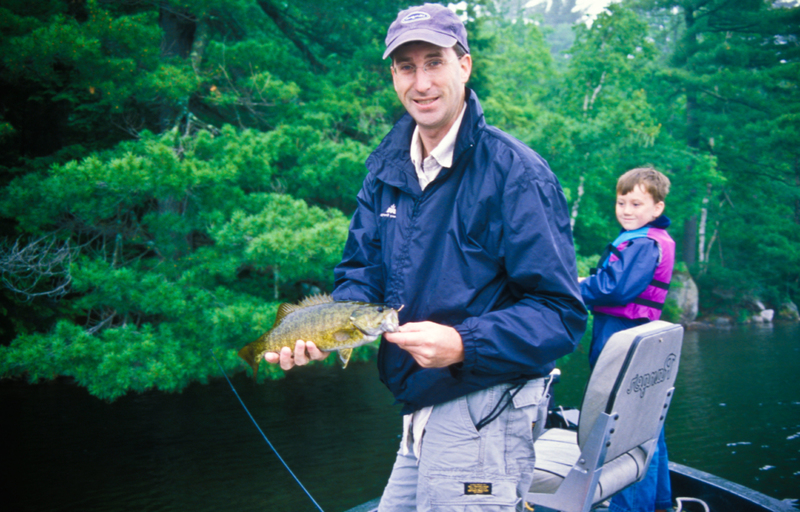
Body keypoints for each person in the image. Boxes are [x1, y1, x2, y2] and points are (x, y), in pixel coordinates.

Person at [265, 3, 587, 510]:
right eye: (407, 66)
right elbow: (359, 273)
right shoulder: (385, 169)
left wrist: (463, 342)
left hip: (484, 407)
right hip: (418, 405)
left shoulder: (516, 174)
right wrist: (330, 330)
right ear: (393, 76)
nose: (422, 83)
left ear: (464, 65)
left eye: (434, 61)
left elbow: (562, 314)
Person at [579, 166, 676, 512]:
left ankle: (631, 508)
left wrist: (572, 288)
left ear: (657, 208)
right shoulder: (645, 240)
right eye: (622, 202)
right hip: (636, 338)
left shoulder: (642, 244)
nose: (627, 210)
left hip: (623, 338)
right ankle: (661, 501)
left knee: (626, 430)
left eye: (637, 204)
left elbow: (615, 289)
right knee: (648, 425)